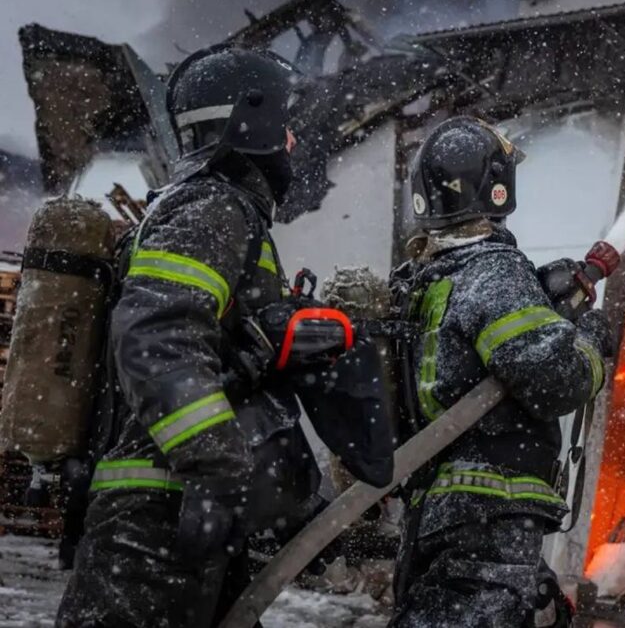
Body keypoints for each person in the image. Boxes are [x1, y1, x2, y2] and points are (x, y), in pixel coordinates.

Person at [55, 45, 388, 628]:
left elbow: (228, 375)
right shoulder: (213, 208)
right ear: (251, 121)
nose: (292, 141)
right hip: (158, 517)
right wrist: (214, 471)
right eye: (285, 124)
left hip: (184, 509)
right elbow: (157, 338)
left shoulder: (215, 211)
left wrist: (295, 508)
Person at [389, 116, 612, 627]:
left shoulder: (424, 280)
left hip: (438, 514)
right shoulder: (492, 272)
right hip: (490, 513)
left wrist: (541, 302)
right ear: (497, 186)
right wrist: (593, 342)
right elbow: (555, 380)